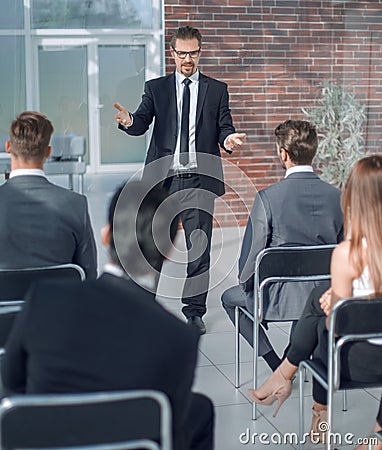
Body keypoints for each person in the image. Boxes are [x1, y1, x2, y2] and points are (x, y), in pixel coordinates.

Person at [1, 181, 214, 450]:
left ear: (105, 235)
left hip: (48, 439)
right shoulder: (180, 337)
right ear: (170, 250)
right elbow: (170, 431)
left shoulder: (44, 298)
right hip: (128, 437)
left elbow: (10, 380)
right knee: (199, 410)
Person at [114, 25, 246, 334]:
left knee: (199, 249)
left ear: (201, 52)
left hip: (199, 181)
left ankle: (194, 312)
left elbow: (225, 127)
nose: (188, 59)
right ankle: (146, 305)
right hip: (162, 183)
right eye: (182, 53)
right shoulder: (156, 88)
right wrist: (130, 120)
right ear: (172, 53)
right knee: (152, 247)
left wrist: (227, 141)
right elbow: (141, 122)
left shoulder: (217, 90)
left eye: (193, 52)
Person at [249, 155, 382, 443]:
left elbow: (339, 328)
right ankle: (378, 436)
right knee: (321, 299)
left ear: (353, 199)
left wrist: (335, 304)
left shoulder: (348, 256)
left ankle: (304, 396)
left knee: (323, 322)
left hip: (352, 363)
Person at [221, 119, 343, 371]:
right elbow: (345, 251)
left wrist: (248, 288)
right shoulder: (337, 197)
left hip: (276, 297)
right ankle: (295, 356)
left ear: (282, 153)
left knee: (229, 298)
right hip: (324, 297)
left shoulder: (268, 198)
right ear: (314, 151)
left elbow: (251, 259)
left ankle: (276, 362)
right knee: (307, 291)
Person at [0, 111, 97, 279]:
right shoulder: (75, 204)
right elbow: (88, 276)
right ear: (48, 152)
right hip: (59, 304)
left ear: (8, 146)